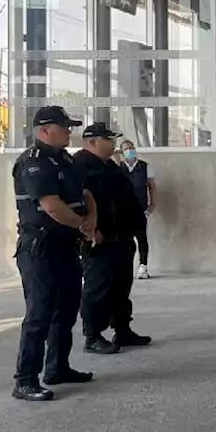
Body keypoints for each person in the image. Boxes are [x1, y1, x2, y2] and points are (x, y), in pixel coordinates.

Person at [12, 106, 97, 402]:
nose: (69, 132)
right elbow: (51, 206)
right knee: (39, 314)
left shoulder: (66, 160)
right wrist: (83, 225)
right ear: (44, 130)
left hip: (66, 246)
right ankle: (25, 379)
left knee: (67, 309)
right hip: (40, 249)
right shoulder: (33, 163)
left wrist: (90, 220)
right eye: (64, 127)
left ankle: (57, 367)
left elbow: (85, 195)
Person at [75, 124, 152, 355]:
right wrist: (90, 231)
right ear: (92, 141)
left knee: (121, 286)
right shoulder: (79, 166)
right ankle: (93, 335)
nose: (113, 144)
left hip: (122, 237)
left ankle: (122, 329)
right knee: (97, 288)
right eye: (108, 139)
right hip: (99, 239)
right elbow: (77, 203)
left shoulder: (110, 165)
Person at [119, 140, 156, 279]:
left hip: (140, 208)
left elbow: (152, 187)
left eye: (131, 148)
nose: (130, 151)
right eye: (126, 149)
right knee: (125, 240)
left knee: (141, 238)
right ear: (122, 152)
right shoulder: (118, 167)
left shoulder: (145, 167)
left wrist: (152, 205)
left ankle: (143, 266)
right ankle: (124, 267)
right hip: (123, 210)